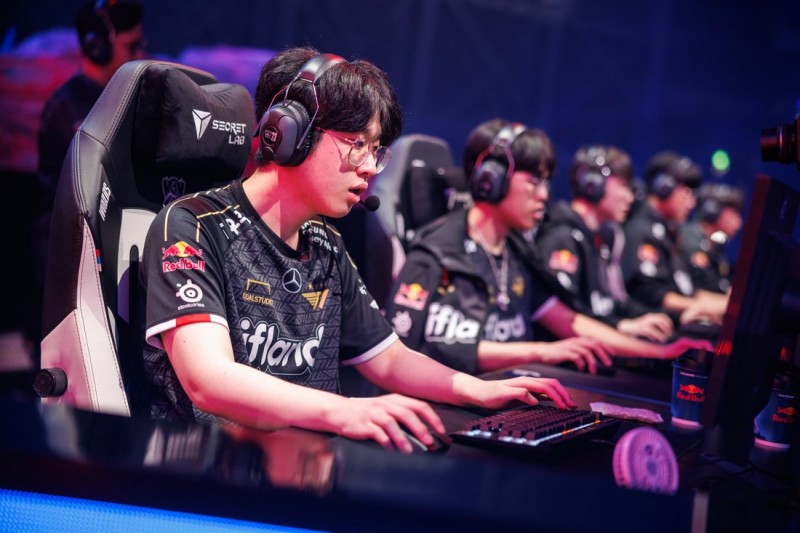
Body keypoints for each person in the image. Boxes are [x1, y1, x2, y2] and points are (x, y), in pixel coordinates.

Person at [139, 48, 577, 455]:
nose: (369, 167)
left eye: (376, 150)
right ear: (288, 132)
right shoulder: (193, 226)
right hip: (214, 469)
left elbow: (388, 358)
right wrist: (346, 411)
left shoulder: (325, 242)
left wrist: (478, 390)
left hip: (311, 466)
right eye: (356, 144)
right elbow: (208, 380)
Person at [383, 119, 712, 377]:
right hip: (450, 404)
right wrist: (541, 351)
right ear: (490, 180)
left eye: (546, 183)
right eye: (534, 182)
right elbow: (414, 351)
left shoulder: (517, 253)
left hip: (509, 392)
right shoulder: (437, 252)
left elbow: (569, 321)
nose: (543, 195)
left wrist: (659, 353)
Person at [33, 0, 146, 293]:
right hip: (68, 247)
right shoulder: (66, 107)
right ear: (98, 47)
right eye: (131, 47)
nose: (140, 55)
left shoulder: (130, 99)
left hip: (110, 240)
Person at [535, 145, 674, 342]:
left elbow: (608, 304)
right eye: (624, 186)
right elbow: (568, 316)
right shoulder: (562, 238)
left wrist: (666, 317)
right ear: (592, 185)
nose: (630, 198)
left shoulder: (598, 237)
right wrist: (621, 326)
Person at [621, 151, 729, 326]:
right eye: (687, 193)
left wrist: (729, 304)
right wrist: (705, 307)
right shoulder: (642, 230)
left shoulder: (667, 233)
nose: (691, 203)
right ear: (663, 187)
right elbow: (651, 294)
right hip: (657, 327)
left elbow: (686, 291)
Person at [678, 183, 745, 295]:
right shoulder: (692, 242)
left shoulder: (715, 245)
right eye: (734, 214)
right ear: (712, 211)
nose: (739, 224)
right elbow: (699, 291)